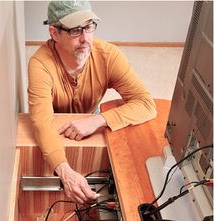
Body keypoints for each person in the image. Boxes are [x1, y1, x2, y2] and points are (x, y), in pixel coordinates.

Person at [28, 1, 157, 204]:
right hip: (55, 127)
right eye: (76, 30)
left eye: (89, 27)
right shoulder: (40, 64)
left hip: (92, 119)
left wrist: (98, 120)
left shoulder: (108, 55)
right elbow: (42, 122)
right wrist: (65, 172)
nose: (85, 38)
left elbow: (146, 104)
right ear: (54, 33)